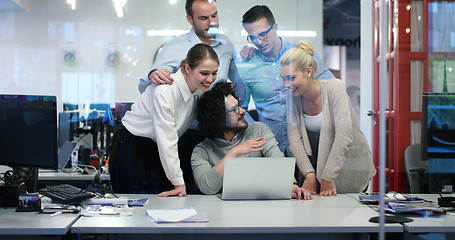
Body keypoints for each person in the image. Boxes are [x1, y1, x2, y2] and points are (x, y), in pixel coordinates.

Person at [110, 43, 219, 197]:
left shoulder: (198, 90)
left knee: (162, 206)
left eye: (214, 73)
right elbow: (167, 139)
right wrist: (179, 183)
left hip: (158, 149)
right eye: (204, 73)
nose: (210, 79)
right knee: (134, 207)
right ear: (187, 68)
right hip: (132, 147)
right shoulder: (164, 90)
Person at [279, 40, 376, 196]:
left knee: (347, 214)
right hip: (321, 167)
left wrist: (328, 177)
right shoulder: (293, 96)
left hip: (350, 165)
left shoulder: (334, 87)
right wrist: (309, 174)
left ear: (308, 72)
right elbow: (294, 139)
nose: (286, 84)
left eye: (291, 78)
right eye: (283, 78)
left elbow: (344, 136)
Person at [236, 5, 335, 156]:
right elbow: (239, 108)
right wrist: (257, 132)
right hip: (270, 148)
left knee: (311, 179)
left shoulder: (303, 55)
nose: (259, 42)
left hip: (310, 142)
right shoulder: (248, 66)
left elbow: (331, 89)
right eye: (252, 37)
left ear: (275, 27)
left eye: (263, 34)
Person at [191, 81, 312, 200]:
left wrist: (292, 185)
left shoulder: (258, 130)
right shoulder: (201, 151)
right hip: (223, 212)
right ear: (218, 118)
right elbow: (207, 188)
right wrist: (234, 152)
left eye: (239, 105)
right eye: (235, 109)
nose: (242, 111)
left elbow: (278, 161)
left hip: (262, 208)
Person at [139, 0, 246, 104]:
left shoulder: (226, 44)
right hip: (187, 120)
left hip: (219, 117)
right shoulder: (175, 47)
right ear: (189, 19)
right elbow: (144, 87)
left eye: (214, 16)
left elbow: (240, 83)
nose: (212, 23)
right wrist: (154, 75)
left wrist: (236, 109)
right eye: (204, 18)